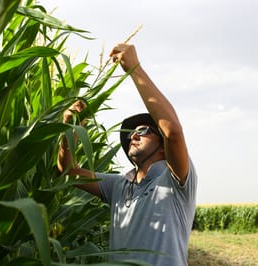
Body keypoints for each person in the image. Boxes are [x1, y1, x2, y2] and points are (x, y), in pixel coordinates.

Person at [57, 43, 197, 266]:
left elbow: (173, 133)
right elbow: (67, 171)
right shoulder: (118, 186)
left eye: (143, 131)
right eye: (131, 133)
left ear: (162, 145)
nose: (133, 136)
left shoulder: (175, 181)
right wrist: (69, 132)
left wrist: (135, 69)